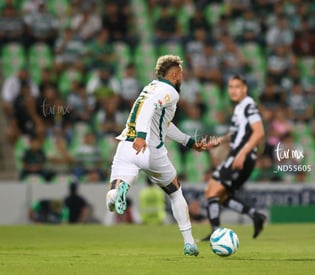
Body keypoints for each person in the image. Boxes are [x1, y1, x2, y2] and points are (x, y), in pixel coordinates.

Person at [105, 55, 208, 256]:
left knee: (114, 189)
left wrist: (188, 141)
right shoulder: (170, 92)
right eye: (181, 74)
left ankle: (116, 194)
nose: (182, 78)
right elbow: (149, 106)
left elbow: (163, 124)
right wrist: (142, 137)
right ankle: (189, 243)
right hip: (150, 151)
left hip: (126, 146)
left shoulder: (149, 87)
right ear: (175, 75)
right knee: (175, 192)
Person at [202, 75, 266, 241]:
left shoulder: (248, 105)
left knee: (212, 191)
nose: (233, 90)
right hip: (239, 155)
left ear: (244, 88)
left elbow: (259, 131)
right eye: (230, 87)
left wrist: (242, 154)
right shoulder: (239, 108)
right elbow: (237, 133)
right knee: (221, 196)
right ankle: (255, 215)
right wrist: (220, 140)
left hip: (240, 156)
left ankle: (216, 233)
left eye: (237, 86)